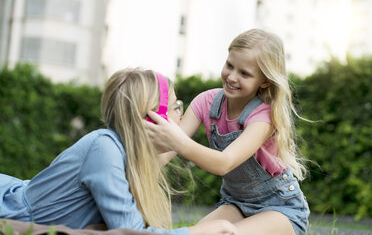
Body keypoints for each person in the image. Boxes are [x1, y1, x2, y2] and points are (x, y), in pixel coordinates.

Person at [0, 68, 238, 235]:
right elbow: (130, 231)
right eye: (176, 107)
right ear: (151, 119)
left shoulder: (126, 155)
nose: (183, 116)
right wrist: (195, 232)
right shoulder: (104, 149)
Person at [145, 29, 310, 235]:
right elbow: (165, 152)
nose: (232, 77)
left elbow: (224, 163)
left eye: (244, 73)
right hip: (235, 204)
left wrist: (178, 141)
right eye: (229, 65)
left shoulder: (263, 117)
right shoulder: (205, 102)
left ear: (265, 80)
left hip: (280, 209)